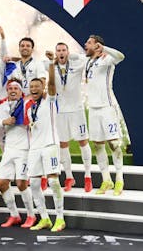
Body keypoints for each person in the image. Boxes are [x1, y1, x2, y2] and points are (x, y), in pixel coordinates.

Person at [45, 43, 93, 192]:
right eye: (58, 50)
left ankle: (88, 176)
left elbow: (86, 57)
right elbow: (28, 61)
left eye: (64, 50)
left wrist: (72, 55)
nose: (61, 53)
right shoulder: (50, 65)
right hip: (60, 112)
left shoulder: (77, 64)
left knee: (83, 142)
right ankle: (69, 177)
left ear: (68, 52)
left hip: (77, 110)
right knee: (63, 144)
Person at [0, 78, 35, 228]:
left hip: (24, 150)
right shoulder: (2, 107)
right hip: (9, 149)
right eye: (10, 89)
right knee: (2, 184)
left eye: (16, 89)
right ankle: (14, 215)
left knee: (21, 183)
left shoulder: (27, 105)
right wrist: (4, 122)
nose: (13, 91)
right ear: (7, 91)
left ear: (21, 91)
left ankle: (31, 215)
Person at [84, 35, 125, 196]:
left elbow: (121, 56)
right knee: (98, 145)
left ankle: (120, 179)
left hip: (107, 107)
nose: (85, 45)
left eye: (88, 43)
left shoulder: (107, 59)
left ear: (97, 45)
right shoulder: (87, 61)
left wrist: (104, 49)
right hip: (93, 109)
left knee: (114, 144)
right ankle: (106, 179)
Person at [27, 65, 66, 232]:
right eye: (31, 87)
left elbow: (52, 85)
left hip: (50, 144)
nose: (34, 89)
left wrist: (51, 64)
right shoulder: (30, 108)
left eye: (37, 86)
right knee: (34, 183)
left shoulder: (49, 100)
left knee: (53, 181)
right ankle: (44, 218)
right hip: (35, 148)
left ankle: (60, 218)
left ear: (42, 88)